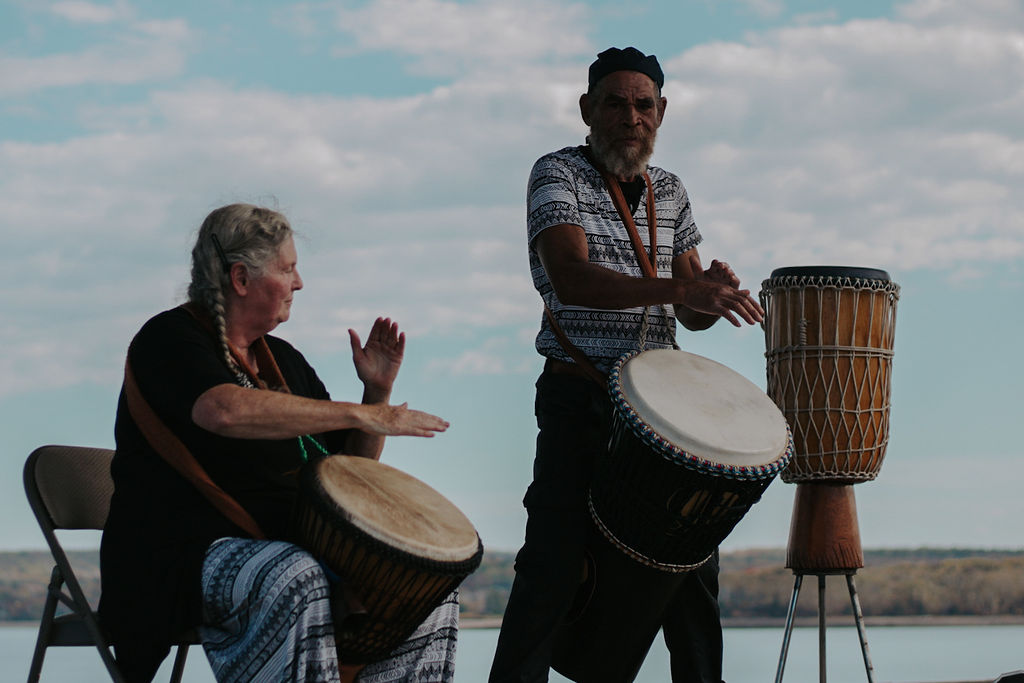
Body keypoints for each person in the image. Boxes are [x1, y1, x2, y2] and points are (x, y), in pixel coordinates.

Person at [488, 47, 764, 683]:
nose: (630, 117)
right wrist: (680, 291)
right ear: (588, 109)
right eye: (615, 103)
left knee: (691, 573)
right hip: (577, 400)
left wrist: (709, 294)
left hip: (660, 419)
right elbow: (571, 278)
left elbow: (689, 313)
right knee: (551, 566)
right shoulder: (557, 174)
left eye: (644, 105)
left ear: (662, 113)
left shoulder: (671, 191)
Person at [99, 203, 456, 683]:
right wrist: (362, 412)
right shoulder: (169, 339)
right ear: (241, 278)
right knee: (295, 575)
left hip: (287, 550)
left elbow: (345, 474)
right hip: (178, 558)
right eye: (287, 269)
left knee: (424, 590)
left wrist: (377, 394)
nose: (299, 282)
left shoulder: (283, 360)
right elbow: (221, 410)